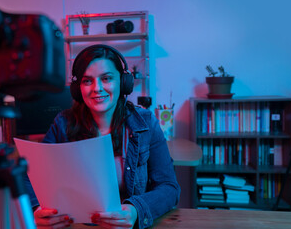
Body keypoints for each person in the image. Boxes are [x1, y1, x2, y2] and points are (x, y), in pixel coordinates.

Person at [25, 44, 180, 229]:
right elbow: (29, 177)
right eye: (87, 81)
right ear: (77, 88)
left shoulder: (146, 123)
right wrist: (36, 209)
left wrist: (135, 210)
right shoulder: (63, 123)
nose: (97, 88)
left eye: (106, 78)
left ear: (123, 83)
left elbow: (169, 188)